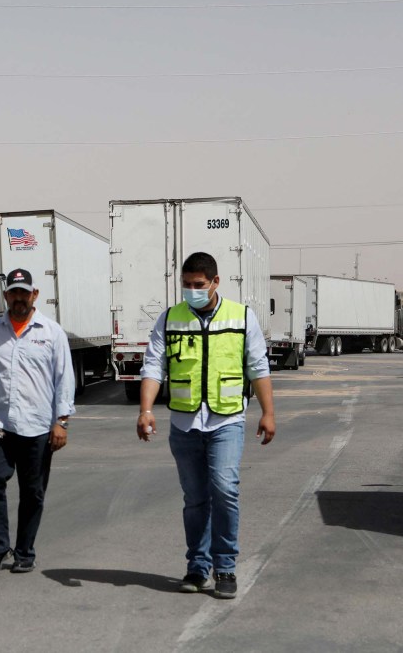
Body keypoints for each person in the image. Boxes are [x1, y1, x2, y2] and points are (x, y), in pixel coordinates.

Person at [136, 252, 275, 599]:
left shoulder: (242, 316)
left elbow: (258, 367)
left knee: (225, 488)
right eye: (186, 285)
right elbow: (154, 365)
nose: (192, 291)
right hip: (184, 424)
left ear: (215, 282)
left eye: (198, 285)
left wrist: (269, 412)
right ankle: (198, 568)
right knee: (195, 498)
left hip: (226, 419)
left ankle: (225, 565)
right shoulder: (170, 318)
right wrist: (145, 409)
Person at [0, 268, 75, 575]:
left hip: (38, 427)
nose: (19, 298)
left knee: (33, 491)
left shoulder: (51, 333)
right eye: (13, 292)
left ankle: (24, 551)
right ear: (6, 295)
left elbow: (64, 380)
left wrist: (61, 422)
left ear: (34, 295)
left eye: (24, 293)